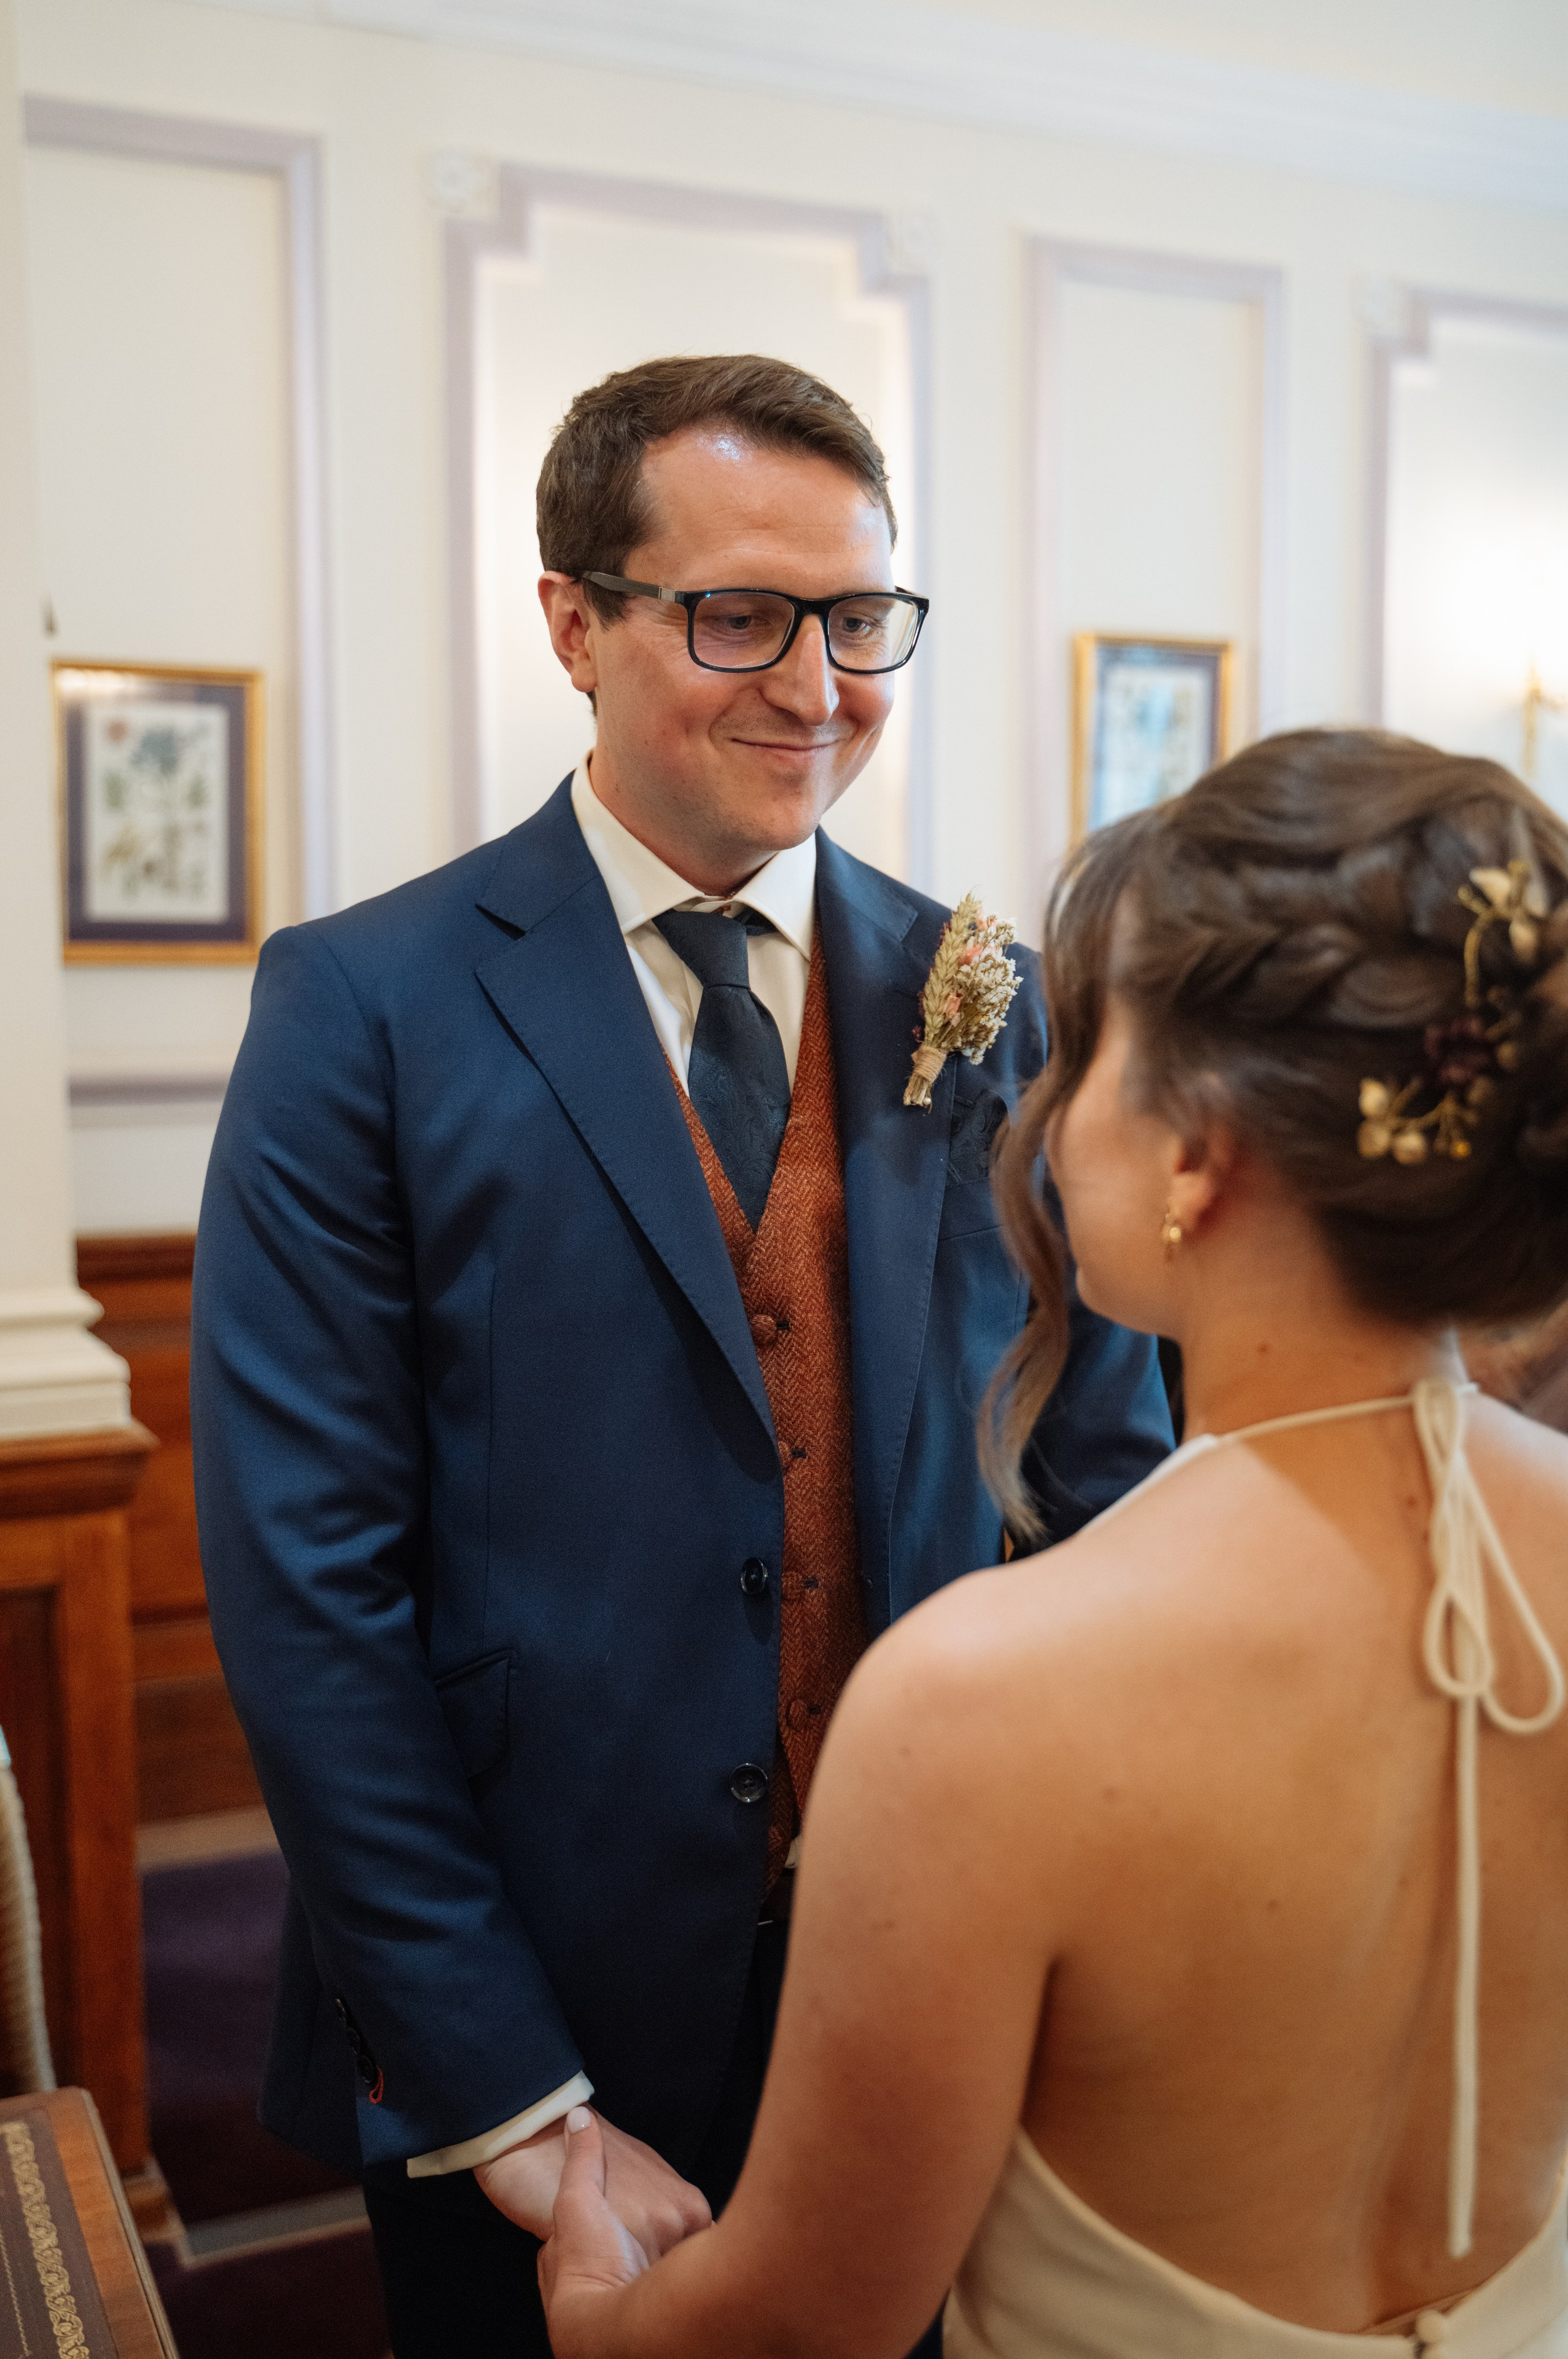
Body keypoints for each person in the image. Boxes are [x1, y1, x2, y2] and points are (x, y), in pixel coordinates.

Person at [189, 352, 1171, 2358]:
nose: (817, 686)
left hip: (934, 1975)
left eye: (861, 620)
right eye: (739, 615)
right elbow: (310, 1594)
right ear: (575, 621)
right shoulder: (360, 1008)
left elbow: (1107, 1490)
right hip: (526, 2009)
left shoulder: (998, 1002)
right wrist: (515, 2101)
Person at [536, 727, 1568, 2358]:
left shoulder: (979, 1704)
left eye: (1090, 1056)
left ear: (1197, 1151)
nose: (1049, 1109)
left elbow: (806, 2325)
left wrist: (596, 2306)